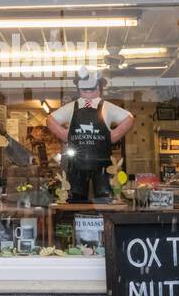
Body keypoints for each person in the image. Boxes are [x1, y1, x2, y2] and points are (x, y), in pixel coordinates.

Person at [46, 70, 135, 203]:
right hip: (77, 163)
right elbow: (50, 120)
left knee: (104, 197)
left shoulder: (106, 107)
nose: (88, 91)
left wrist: (113, 136)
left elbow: (129, 118)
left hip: (102, 163)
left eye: (91, 88)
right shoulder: (71, 107)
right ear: (78, 88)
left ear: (99, 88)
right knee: (76, 197)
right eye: (84, 88)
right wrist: (65, 135)